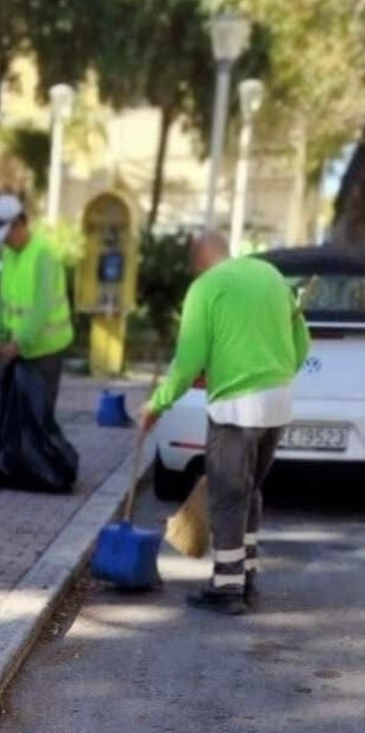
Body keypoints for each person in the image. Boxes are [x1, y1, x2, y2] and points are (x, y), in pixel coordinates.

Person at [141, 231, 310, 616]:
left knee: (227, 496)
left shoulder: (205, 288)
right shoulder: (270, 276)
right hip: (278, 404)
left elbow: (187, 363)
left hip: (236, 408)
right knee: (250, 490)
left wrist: (158, 404)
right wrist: (276, 376)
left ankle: (228, 588)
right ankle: (246, 575)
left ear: (199, 259)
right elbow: (302, 343)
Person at [0, 193, 75, 409]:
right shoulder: (9, 255)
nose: (5, 242)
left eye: (7, 236)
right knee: (17, 417)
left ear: (19, 225)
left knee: (38, 419)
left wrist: (18, 343)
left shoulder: (43, 256)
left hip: (46, 351)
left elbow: (41, 308)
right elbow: (4, 302)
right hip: (21, 350)